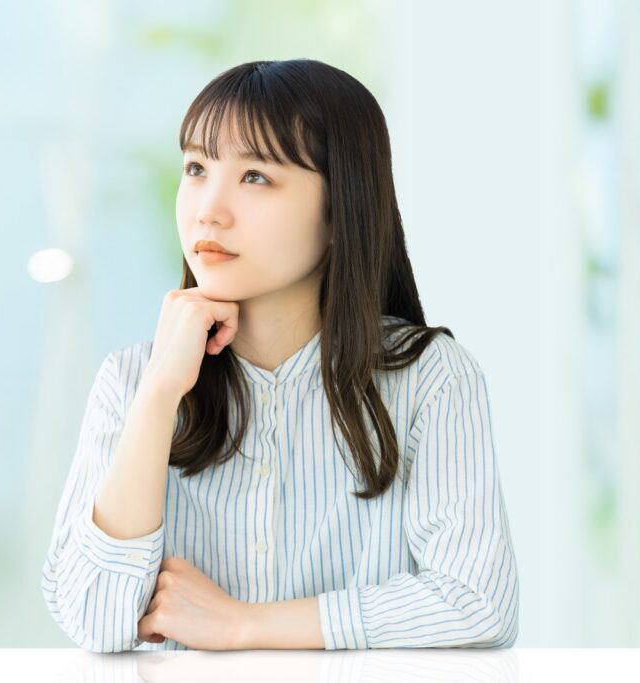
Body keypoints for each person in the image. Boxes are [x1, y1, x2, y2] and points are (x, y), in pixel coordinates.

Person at [40, 58, 519, 652]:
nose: (208, 209)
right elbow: (93, 620)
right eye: (196, 167)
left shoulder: (429, 378)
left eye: (256, 177)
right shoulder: (132, 381)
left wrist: (242, 625)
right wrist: (160, 394)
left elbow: (477, 603)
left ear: (342, 210)